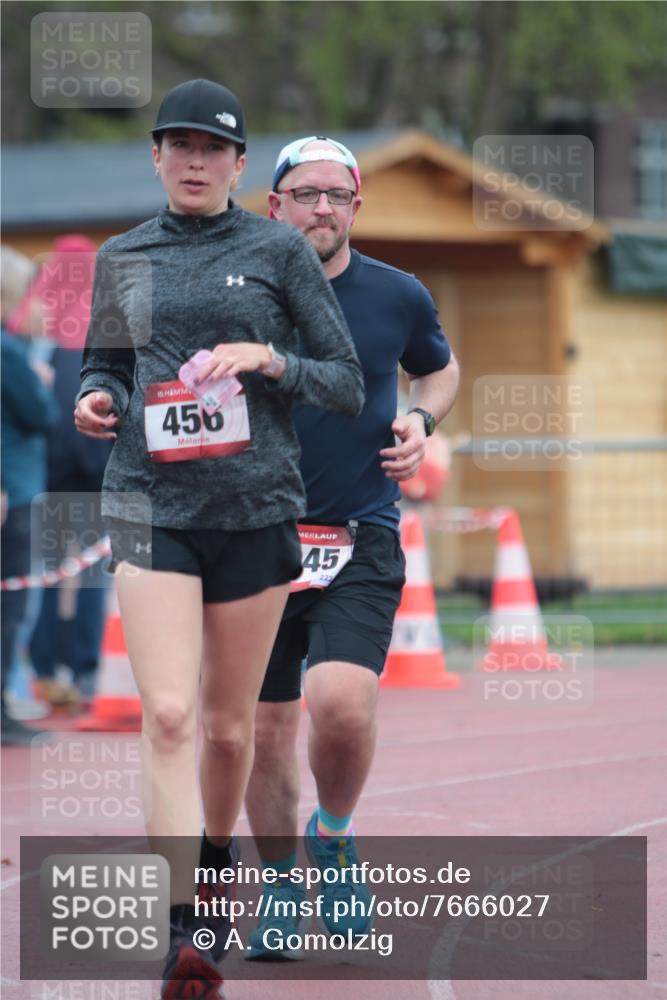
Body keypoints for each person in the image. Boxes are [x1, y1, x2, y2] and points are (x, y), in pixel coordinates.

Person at [73, 83, 364, 995]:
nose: (194, 161)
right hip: (149, 505)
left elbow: (345, 382)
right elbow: (105, 365)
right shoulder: (124, 256)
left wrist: (266, 357)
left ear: (240, 168)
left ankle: (215, 864)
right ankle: (181, 928)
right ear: (155, 158)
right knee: (168, 715)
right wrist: (99, 400)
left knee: (232, 732)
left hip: (254, 513)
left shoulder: (276, 247)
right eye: (178, 146)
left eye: (212, 149)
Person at [242, 136, 459, 958]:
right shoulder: (241, 295)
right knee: (264, 730)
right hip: (253, 539)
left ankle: (331, 835)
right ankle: (279, 888)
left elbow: (436, 371)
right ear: (275, 205)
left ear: (356, 206)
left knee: (337, 702)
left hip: (358, 531)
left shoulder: (396, 295)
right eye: (304, 193)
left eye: (336, 194)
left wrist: (420, 420)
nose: (321, 207)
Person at [29, 235, 112, 708]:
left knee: (45, 575)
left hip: (47, 474)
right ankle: (83, 673)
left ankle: (44, 671)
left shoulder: (37, 324)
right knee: (93, 578)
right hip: (97, 472)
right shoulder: (107, 323)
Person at [1, 246, 59, 745]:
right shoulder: (8, 349)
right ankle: (2, 711)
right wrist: (40, 383)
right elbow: (41, 415)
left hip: (16, 488)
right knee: (11, 605)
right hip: (14, 491)